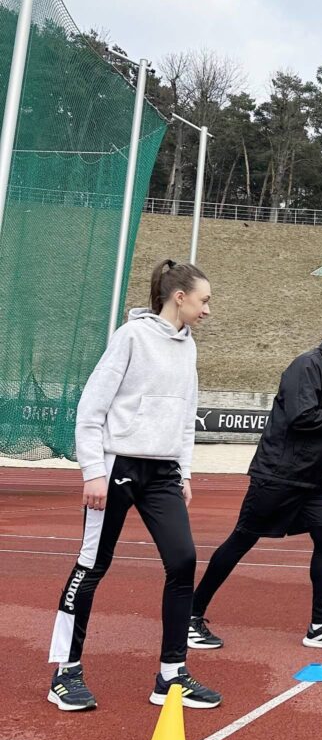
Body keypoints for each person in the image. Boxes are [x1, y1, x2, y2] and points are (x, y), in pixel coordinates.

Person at [47, 259, 219, 711]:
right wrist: (93, 472)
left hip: (162, 472)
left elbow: (186, 416)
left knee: (183, 561)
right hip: (117, 465)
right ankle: (65, 670)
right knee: (92, 564)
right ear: (178, 297)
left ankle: (171, 675)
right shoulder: (131, 338)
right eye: (203, 301)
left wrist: (184, 472)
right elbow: (91, 408)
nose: (207, 311)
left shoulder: (189, 348)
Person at [190, 317, 322, 655]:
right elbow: (301, 417)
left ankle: (320, 626)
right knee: (242, 539)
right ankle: (191, 615)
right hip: (280, 475)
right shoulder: (304, 367)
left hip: (317, 481)